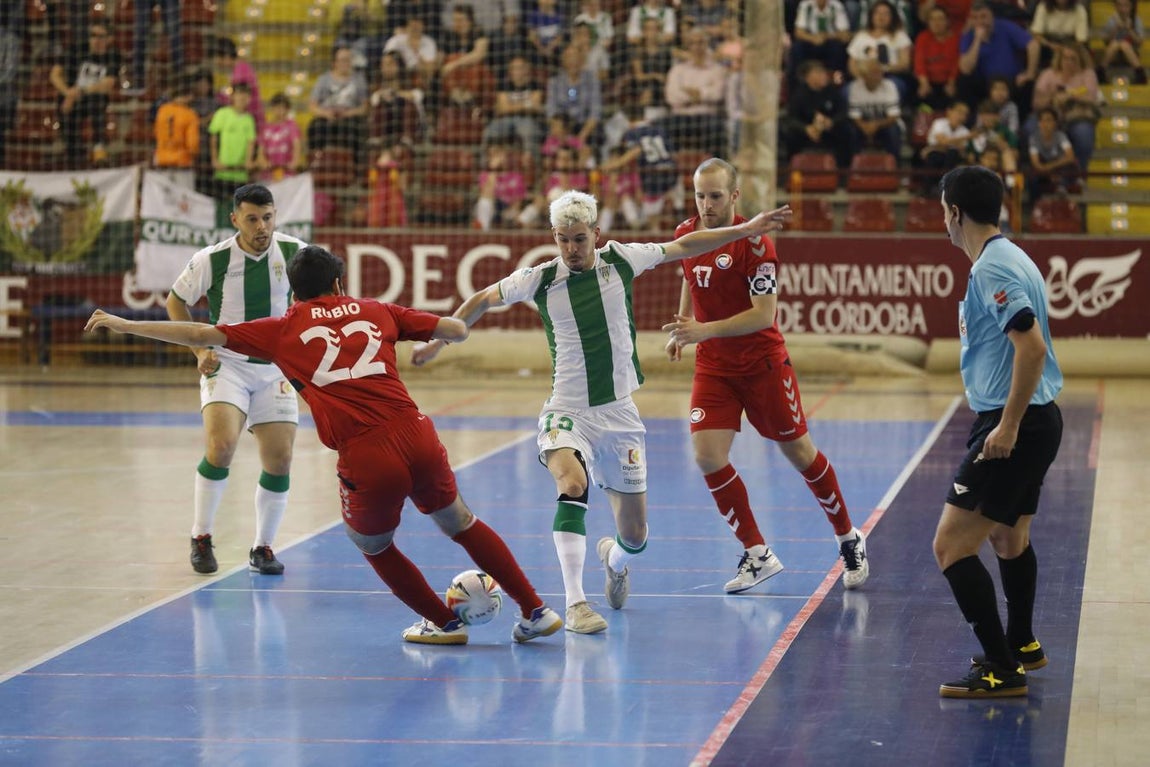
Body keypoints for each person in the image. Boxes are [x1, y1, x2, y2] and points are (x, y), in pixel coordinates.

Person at [88, 245, 564, 646]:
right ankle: (536, 609)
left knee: (372, 544)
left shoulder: (282, 328)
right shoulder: (377, 309)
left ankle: (443, 623)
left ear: (294, 291)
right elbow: (456, 330)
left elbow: (199, 332)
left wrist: (124, 324)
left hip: (366, 452)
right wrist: (432, 341)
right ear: (338, 284)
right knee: (460, 521)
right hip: (416, 431)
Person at [411, 189, 793, 634]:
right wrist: (441, 340)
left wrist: (743, 230)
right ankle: (575, 603)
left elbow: (683, 247)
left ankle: (612, 559)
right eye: (562, 240)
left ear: (596, 233)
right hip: (566, 410)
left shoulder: (623, 260)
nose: (571, 249)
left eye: (579, 239)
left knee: (635, 537)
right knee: (572, 483)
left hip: (620, 416)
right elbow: (480, 299)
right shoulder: (540, 278)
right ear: (553, 237)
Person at [663, 158, 869, 594]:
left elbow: (763, 315)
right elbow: (689, 273)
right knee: (707, 455)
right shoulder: (687, 234)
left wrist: (704, 330)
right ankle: (757, 553)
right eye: (700, 195)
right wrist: (684, 328)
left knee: (800, 454)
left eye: (716, 196)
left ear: (735, 197)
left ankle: (849, 537)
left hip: (762, 367)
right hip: (715, 368)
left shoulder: (756, 245)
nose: (706, 204)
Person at [933, 165, 1063, 698]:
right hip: (1036, 418)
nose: (943, 219)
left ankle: (1001, 670)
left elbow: (1030, 348)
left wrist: (1007, 425)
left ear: (956, 213)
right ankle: (1022, 644)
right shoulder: (1010, 255)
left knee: (951, 547)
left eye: (944, 210)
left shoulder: (992, 268)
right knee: (1010, 538)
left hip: (1017, 422)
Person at [165, 184, 305, 577]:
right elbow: (175, 300)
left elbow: (316, 303)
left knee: (280, 459)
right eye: (252, 219)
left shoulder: (296, 253)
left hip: (275, 368)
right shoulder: (213, 259)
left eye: (268, 217)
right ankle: (201, 536)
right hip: (226, 362)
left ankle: (262, 548)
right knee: (221, 446)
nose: (262, 226)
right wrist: (198, 350)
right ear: (235, 220)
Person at [49, 19, 120, 169]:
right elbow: (54, 74)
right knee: (63, 105)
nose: (96, 40)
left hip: (94, 98)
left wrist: (80, 91)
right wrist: (68, 92)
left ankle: (98, 148)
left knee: (97, 100)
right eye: (93, 35)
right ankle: (73, 152)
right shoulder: (76, 49)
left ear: (109, 38)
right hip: (73, 98)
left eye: (101, 36)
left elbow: (108, 83)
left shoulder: (113, 55)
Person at [307, 45, 370, 155]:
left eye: (348, 60)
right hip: (327, 117)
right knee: (315, 127)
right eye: (342, 60)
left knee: (357, 129)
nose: (346, 63)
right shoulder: (323, 79)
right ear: (334, 62)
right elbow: (312, 106)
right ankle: (317, 161)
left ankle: (355, 166)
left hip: (350, 118)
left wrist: (348, 113)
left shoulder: (359, 79)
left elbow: (365, 107)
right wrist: (326, 113)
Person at [207, 82, 257, 201]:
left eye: (245, 95)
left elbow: (251, 142)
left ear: (249, 99)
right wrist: (214, 159)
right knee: (222, 208)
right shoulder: (222, 113)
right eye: (239, 94)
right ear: (233, 96)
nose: (242, 98)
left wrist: (248, 161)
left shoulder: (249, 119)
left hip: (241, 174)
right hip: (222, 172)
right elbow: (213, 137)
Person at [153, 75, 201, 189]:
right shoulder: (190, 114)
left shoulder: (162, 110)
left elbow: (156, 133)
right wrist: (194, 155)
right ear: (188, 95)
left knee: (163, 200)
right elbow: (192, 144)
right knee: (184, 201)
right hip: (182, 164)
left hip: (162, 161)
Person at [255, 93, 304, 182]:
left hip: (287, 174)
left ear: (287, 110)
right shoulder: (265, 128)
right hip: (268, 175)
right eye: (277, 107)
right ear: (272, 108)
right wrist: (263, 162)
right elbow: (260, 151)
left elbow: (297, 146)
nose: (279, 111)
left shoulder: (292, 126)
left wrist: (294, 162)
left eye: (282, 108)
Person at [1100, 0, 1146, 84]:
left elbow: (1139, 42)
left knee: (1124, 44)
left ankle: (1139, 72)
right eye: (1120, 5)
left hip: (1131, 53)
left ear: (1130, 7)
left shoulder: (1136, 20)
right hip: (1114, 53)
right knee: (1115, 44)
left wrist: (1130, 30)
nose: (1122, 9)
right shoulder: (1112, 20)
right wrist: (1115, 28)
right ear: (1116, 6)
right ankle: (1101, 71)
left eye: (1125, 6)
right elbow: (1105, 41)